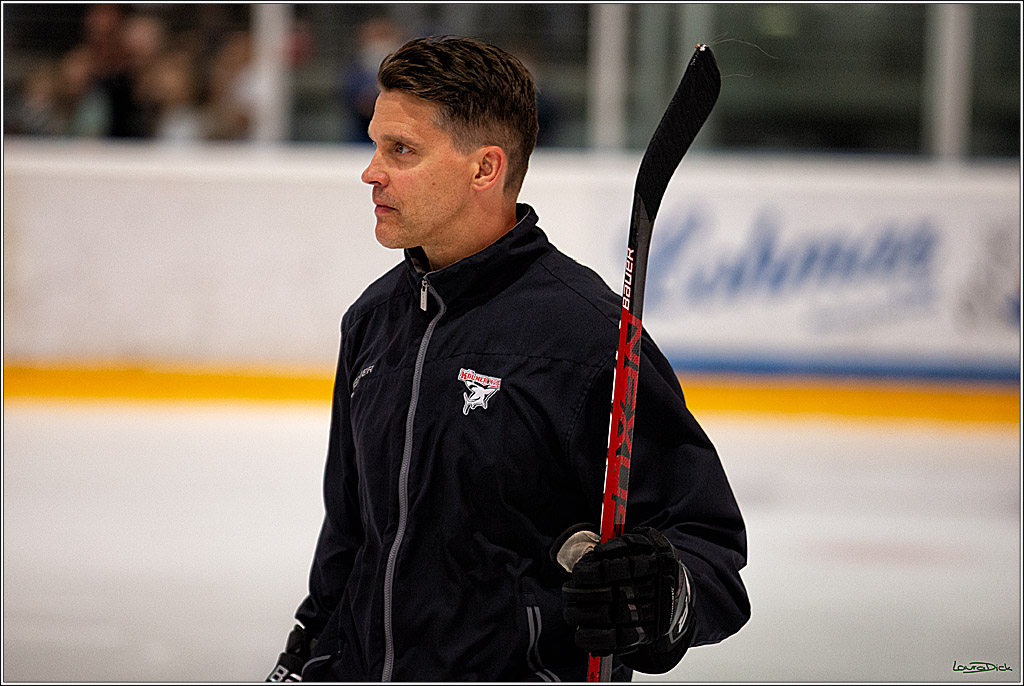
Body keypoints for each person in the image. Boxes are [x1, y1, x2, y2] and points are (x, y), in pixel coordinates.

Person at [267, 35, 749, 682]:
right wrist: (309, 655)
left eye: (401, 150)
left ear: (484, 168)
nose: (370, 171)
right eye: (376, 144)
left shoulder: (585, 337)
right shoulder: (372, 323)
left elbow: (707, 547)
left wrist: (665, 599)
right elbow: (351, 542)